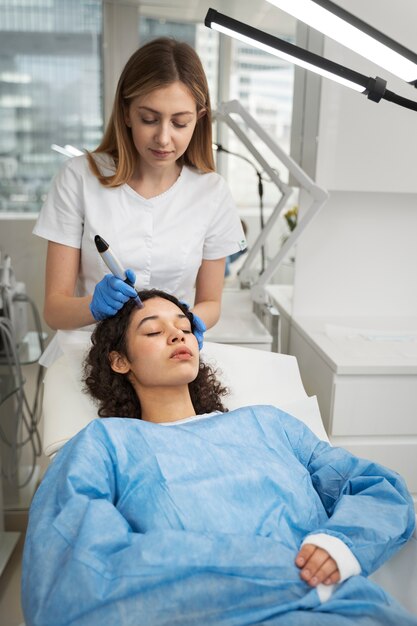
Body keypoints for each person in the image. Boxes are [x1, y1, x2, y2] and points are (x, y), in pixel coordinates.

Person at [22, 289, 417, 625]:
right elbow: (72, 574)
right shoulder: (106, 443)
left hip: (346, 611)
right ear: (120, 361)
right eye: (155, 330)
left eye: (183, 326)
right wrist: (287, 573)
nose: (178, 335)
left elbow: (377, 488)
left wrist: (342, 546)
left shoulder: (267, 423)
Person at [33, 37, 247, 365]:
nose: (163, 137)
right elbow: (54, 310)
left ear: (200, 118)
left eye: (180, 122)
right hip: (90, 359)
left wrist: (189, 321)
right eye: (149, 118)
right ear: (127, 112)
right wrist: (92, 305)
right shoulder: (79, 178)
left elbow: (211, 302)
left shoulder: (212, 192)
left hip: (170, 359)